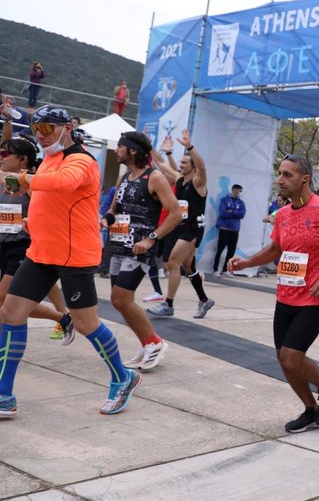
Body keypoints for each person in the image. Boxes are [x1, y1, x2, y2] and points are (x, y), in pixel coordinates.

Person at [0, 106, 139, 418]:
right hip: (42, 252)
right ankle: (3, 394)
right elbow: (44, 194)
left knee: (85, 323)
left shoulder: (82, 161)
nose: (40, 135)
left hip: (74, 255)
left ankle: (123, 377)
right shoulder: (50, 159)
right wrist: (33, 220)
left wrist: (19, 177)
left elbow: (61, 184)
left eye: (47, 128)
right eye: (37, 129)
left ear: (66, 128)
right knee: (10, 313)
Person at [228, 154, 319, 432]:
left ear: (305, 180)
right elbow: (275, 250)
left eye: (288, 175)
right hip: (286, 293)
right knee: (284, 359)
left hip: (316, 295)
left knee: (292, 356)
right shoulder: (284, 214)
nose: (280, 180)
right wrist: (246, 262)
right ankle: (310, 408)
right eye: (280, 173)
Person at [102, 132, 182, 371]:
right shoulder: (125, 177)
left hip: (139, 247)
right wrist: (105, 220)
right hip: (120, 245)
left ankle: (154, 342)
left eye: (120, 147)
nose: (117, 151)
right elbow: (114, 208)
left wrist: (150, 240)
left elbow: (176, 213)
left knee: (121, 298)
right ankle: (148, 343)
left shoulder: (154, 177)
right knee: (120, 302)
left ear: (133, 151)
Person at [0, 134, 76, 343]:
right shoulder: (5, 180)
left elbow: (50, 210)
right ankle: (63, 317)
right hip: (4, 245)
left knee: (3, 301)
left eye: (6, 154)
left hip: (23, 247)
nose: (1, 157)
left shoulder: (32, 183)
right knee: (12, 304)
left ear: (23, 159)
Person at [147, 131, 215, 319]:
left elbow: (202, 167)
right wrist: (149, 146)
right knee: (188, 268)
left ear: (192, 166)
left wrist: (190, 147)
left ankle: (168, 304)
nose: (180, 164)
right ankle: (204, 300)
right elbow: (160, 163)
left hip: (193, 229)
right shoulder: (179, 180)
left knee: (173, 263)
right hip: (181, 228)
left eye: (184, 162)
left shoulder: (198, 182)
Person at [214, 184, 246, 275]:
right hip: (224, 228)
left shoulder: (241, 203)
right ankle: (215, 269)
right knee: (220, 250)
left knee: (231, 251)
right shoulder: (224, 200)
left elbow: (242, 214)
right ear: (234, 190)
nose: (240, 193)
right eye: (239, 191)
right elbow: (223, 213)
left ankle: (226, 270)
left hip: (235, 230)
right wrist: (235, 213)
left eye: (241, 191)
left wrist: (231, 211)